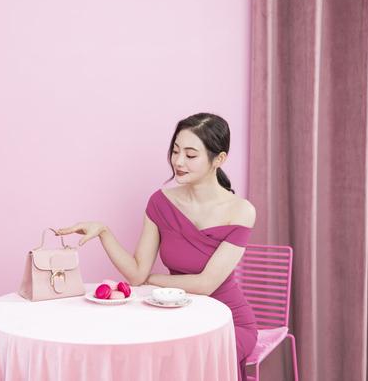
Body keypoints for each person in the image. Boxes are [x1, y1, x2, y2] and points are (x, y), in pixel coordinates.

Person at [55, 112, 258, 381]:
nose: (178, 162)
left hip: (227, 322)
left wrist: (152, 280)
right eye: (175, 151)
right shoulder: (160, 202)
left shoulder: (240, 211)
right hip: (178, 315)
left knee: (188, 365)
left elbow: (205, 284)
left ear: (218, 159)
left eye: (190, 155)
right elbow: (136, 273)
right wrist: (104, 232)